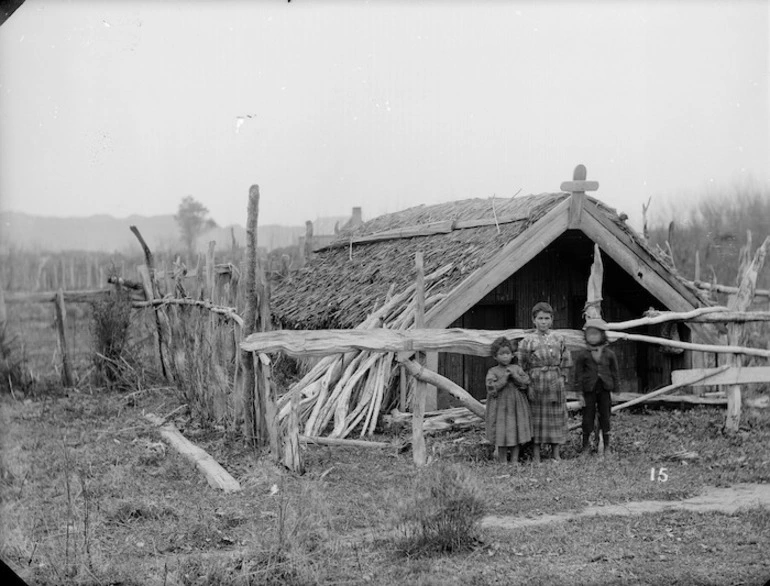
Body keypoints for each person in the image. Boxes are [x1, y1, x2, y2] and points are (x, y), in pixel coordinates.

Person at [518, 302, 570, 463]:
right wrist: (528, 385)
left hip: (555, 381)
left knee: (556, 417)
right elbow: (522, 364)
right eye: (540, 318)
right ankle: (536, 455)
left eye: (547, 318)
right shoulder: (527, 341)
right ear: (534, 320)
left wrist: (562, 378)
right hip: (536, 382)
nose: (543, 322)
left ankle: (556, 454)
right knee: (537, 418)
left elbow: (566, 360)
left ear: (552, 319)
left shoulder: (558, 338)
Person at [573, 318, 620, 455]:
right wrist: (579, 393)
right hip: (589, 390)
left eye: (596, 334)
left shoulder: (609, 354)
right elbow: (578, 375)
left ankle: (606, 446)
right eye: (590, 334)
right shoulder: (583, 355)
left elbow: (614, 372)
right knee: (588, 418)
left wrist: (616, 390)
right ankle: (586, 446)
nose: (592, 337)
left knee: (605, 417)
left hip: (605, 390)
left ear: (602, 335)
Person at [485, 336, 532, 464]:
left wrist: (515, 377)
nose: (505, 357)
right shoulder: (493, 371)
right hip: (501, 408)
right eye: (501, 354)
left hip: (516, 407)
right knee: (502, 432)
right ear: (495, 357)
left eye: (508, 354)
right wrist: (504, 379)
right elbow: (491, 388)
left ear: (512, 355)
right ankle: (502, 461)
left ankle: (514, 460)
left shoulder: (516, 368)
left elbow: (526, 382)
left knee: (516, 432)